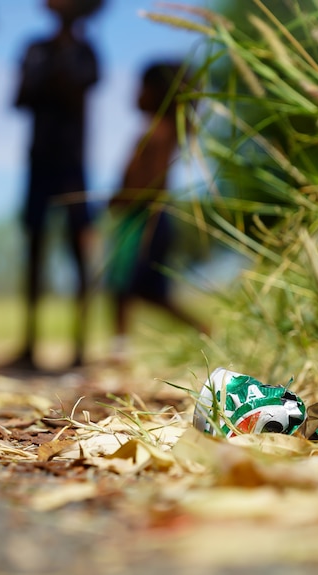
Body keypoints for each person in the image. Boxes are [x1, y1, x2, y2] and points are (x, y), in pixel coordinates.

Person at [14, 0, 102, 369]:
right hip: (41, 160)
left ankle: (79, 345)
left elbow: (79, 90)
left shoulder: (85, 53)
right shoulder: (36, 50)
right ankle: (29, 342)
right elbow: (19, 98)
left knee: (77, 247)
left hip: (72, 164)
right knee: (34, 246)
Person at [107, 61, 210, 360]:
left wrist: (124, 199)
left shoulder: (159, 132)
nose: (135, 93)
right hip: (142, 216)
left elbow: (151, 180)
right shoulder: (156, 131)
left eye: (142, 87)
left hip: (143, 218)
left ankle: (120, 344)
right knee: (149, 291)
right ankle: (202, 328)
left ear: (157, 93)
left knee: (123, 282)